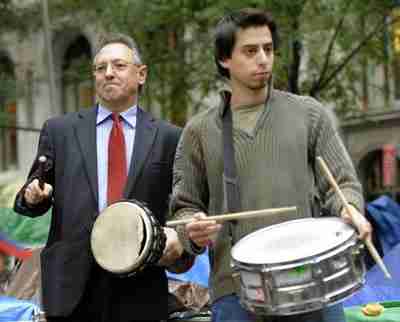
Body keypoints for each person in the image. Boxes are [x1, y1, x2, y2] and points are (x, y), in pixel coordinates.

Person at [170, 8, 372, 322]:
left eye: (268, 49)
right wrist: (192, 230)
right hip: (236, 291)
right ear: (225, 59)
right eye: (250, 51)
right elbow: (183, 208)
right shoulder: (198, 132)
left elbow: (343, 183)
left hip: (312, 281)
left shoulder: (309, 114)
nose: (263, 59)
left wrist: (349, 208)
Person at [14, 33, 183, 322]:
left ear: (141, 74)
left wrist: (178, 241)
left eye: (118, 65)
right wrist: (33, 196)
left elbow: (180, 207)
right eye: (100, 67)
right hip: (71, 288)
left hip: (140, 285)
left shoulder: (169, 137)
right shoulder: (60, 131)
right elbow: (30, 198)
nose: (108, 73)